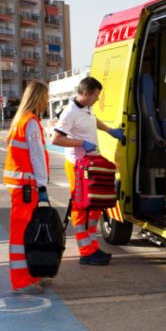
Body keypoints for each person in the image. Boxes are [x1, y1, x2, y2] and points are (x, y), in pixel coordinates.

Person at [51, 76, 125, 266]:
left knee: (93, 206)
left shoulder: (86, 108)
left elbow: (93, 120)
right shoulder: (69, 112)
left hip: (90, 164)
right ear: (85, 94)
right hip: (78, 165)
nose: (97, 99)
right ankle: (85, 252)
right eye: (95, 96)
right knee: (81, 207)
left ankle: (92, 247)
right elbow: (56, 139)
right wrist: (81, 142)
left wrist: (110, 131)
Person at [3, 80, 51, 293]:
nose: (47, 101)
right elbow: (37, 156)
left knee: (24, 232)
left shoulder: (19, 121)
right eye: (46, 97)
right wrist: (42, 185)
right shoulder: (30, 122)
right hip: (27, 186)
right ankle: (22, 281)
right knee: (23, 233)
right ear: (39, 98)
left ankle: (30, 275)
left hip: (19, 185)